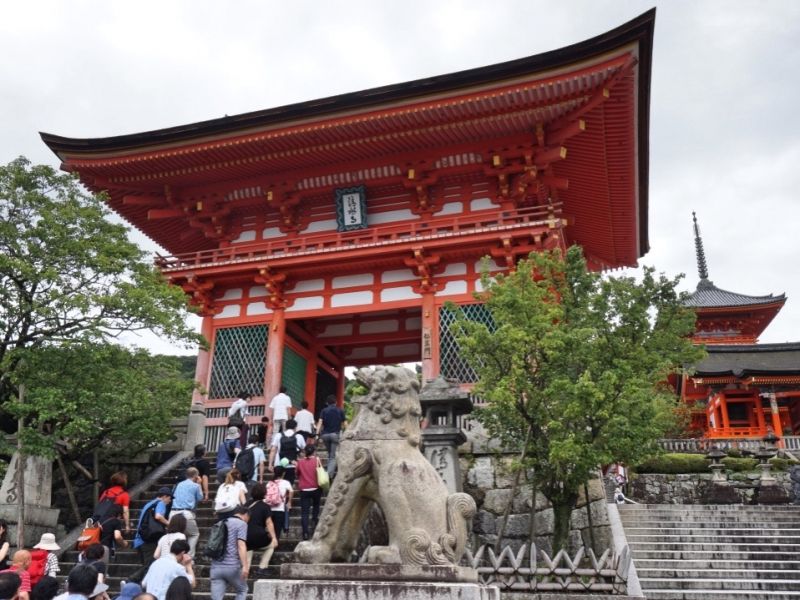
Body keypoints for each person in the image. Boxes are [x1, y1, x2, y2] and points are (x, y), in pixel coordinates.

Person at [131, 488, 173, 583]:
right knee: (149, 567)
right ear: (164, 496)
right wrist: (168, 523)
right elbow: (158, 516)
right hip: (148, 541)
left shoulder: (149, 504)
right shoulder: (161, 503)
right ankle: (130, 581)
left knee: (147, 566)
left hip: (140, 540)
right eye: (169, 498)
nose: (170, 501)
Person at [209, 505, 248, 600]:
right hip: (232, 566)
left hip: (215, 568)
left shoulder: (220, 523)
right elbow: (241, 545)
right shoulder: (241, 524)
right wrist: (245, 566)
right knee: (242, 590)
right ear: (245, 515)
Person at [245, 483, 278, 577]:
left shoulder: (246, 505)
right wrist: (274, 538)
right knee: (271, 545)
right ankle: (262, 567)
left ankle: (245, 572)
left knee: (248, 551)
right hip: (259, 536)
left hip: (244, 536)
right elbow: (269, 523)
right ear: (264, 493)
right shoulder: (265, 506)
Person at [170, 468, 202, 558]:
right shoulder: (195, 486)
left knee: (177, 536)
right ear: (196, 476)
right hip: (185, 513)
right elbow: (200, 498)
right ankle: (189, 557)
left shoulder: (179, 484)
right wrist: (199, 484)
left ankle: (174, 557)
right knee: (194, 534)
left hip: (173, 513)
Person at [295, 446, 322, 541]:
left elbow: (297, 473)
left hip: (304, 489)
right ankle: (314, 519)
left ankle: (305, 533)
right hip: (315, 487)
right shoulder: (317, 460)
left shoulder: (300, 462)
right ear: (314, 452)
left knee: (304, 512)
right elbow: (320, 472)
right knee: (316, 504)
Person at [316, 394, 346, 478]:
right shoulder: (340, 411)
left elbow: (320, 422)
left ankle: (329, 469)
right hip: (335, 435)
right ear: (336, 402)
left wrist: (317, 434)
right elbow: (345, 424)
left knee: (330, 454)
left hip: (325, 435)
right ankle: (329, 476)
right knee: (332, 456)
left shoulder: (324, 411)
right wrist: (346, 432)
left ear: (327, 403)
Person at [268, 418, 305, 485]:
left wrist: (270, 464)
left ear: (286, 426)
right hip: (292, 465)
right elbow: (304, 452)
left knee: (278, 485)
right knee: (288, 486)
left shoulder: (278, 435)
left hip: (279, 464)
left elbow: (273, 450)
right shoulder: (299, 436)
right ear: (295, 427)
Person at [266, 466, 293, 541]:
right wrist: (289, 502)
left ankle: (271, 543)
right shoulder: (285, 482)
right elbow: (291, 491)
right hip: (280, 509)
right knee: (277, 529)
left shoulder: (269, 483)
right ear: (283, 473)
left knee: (271, 528)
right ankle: (275, 544)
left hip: (270, 509)